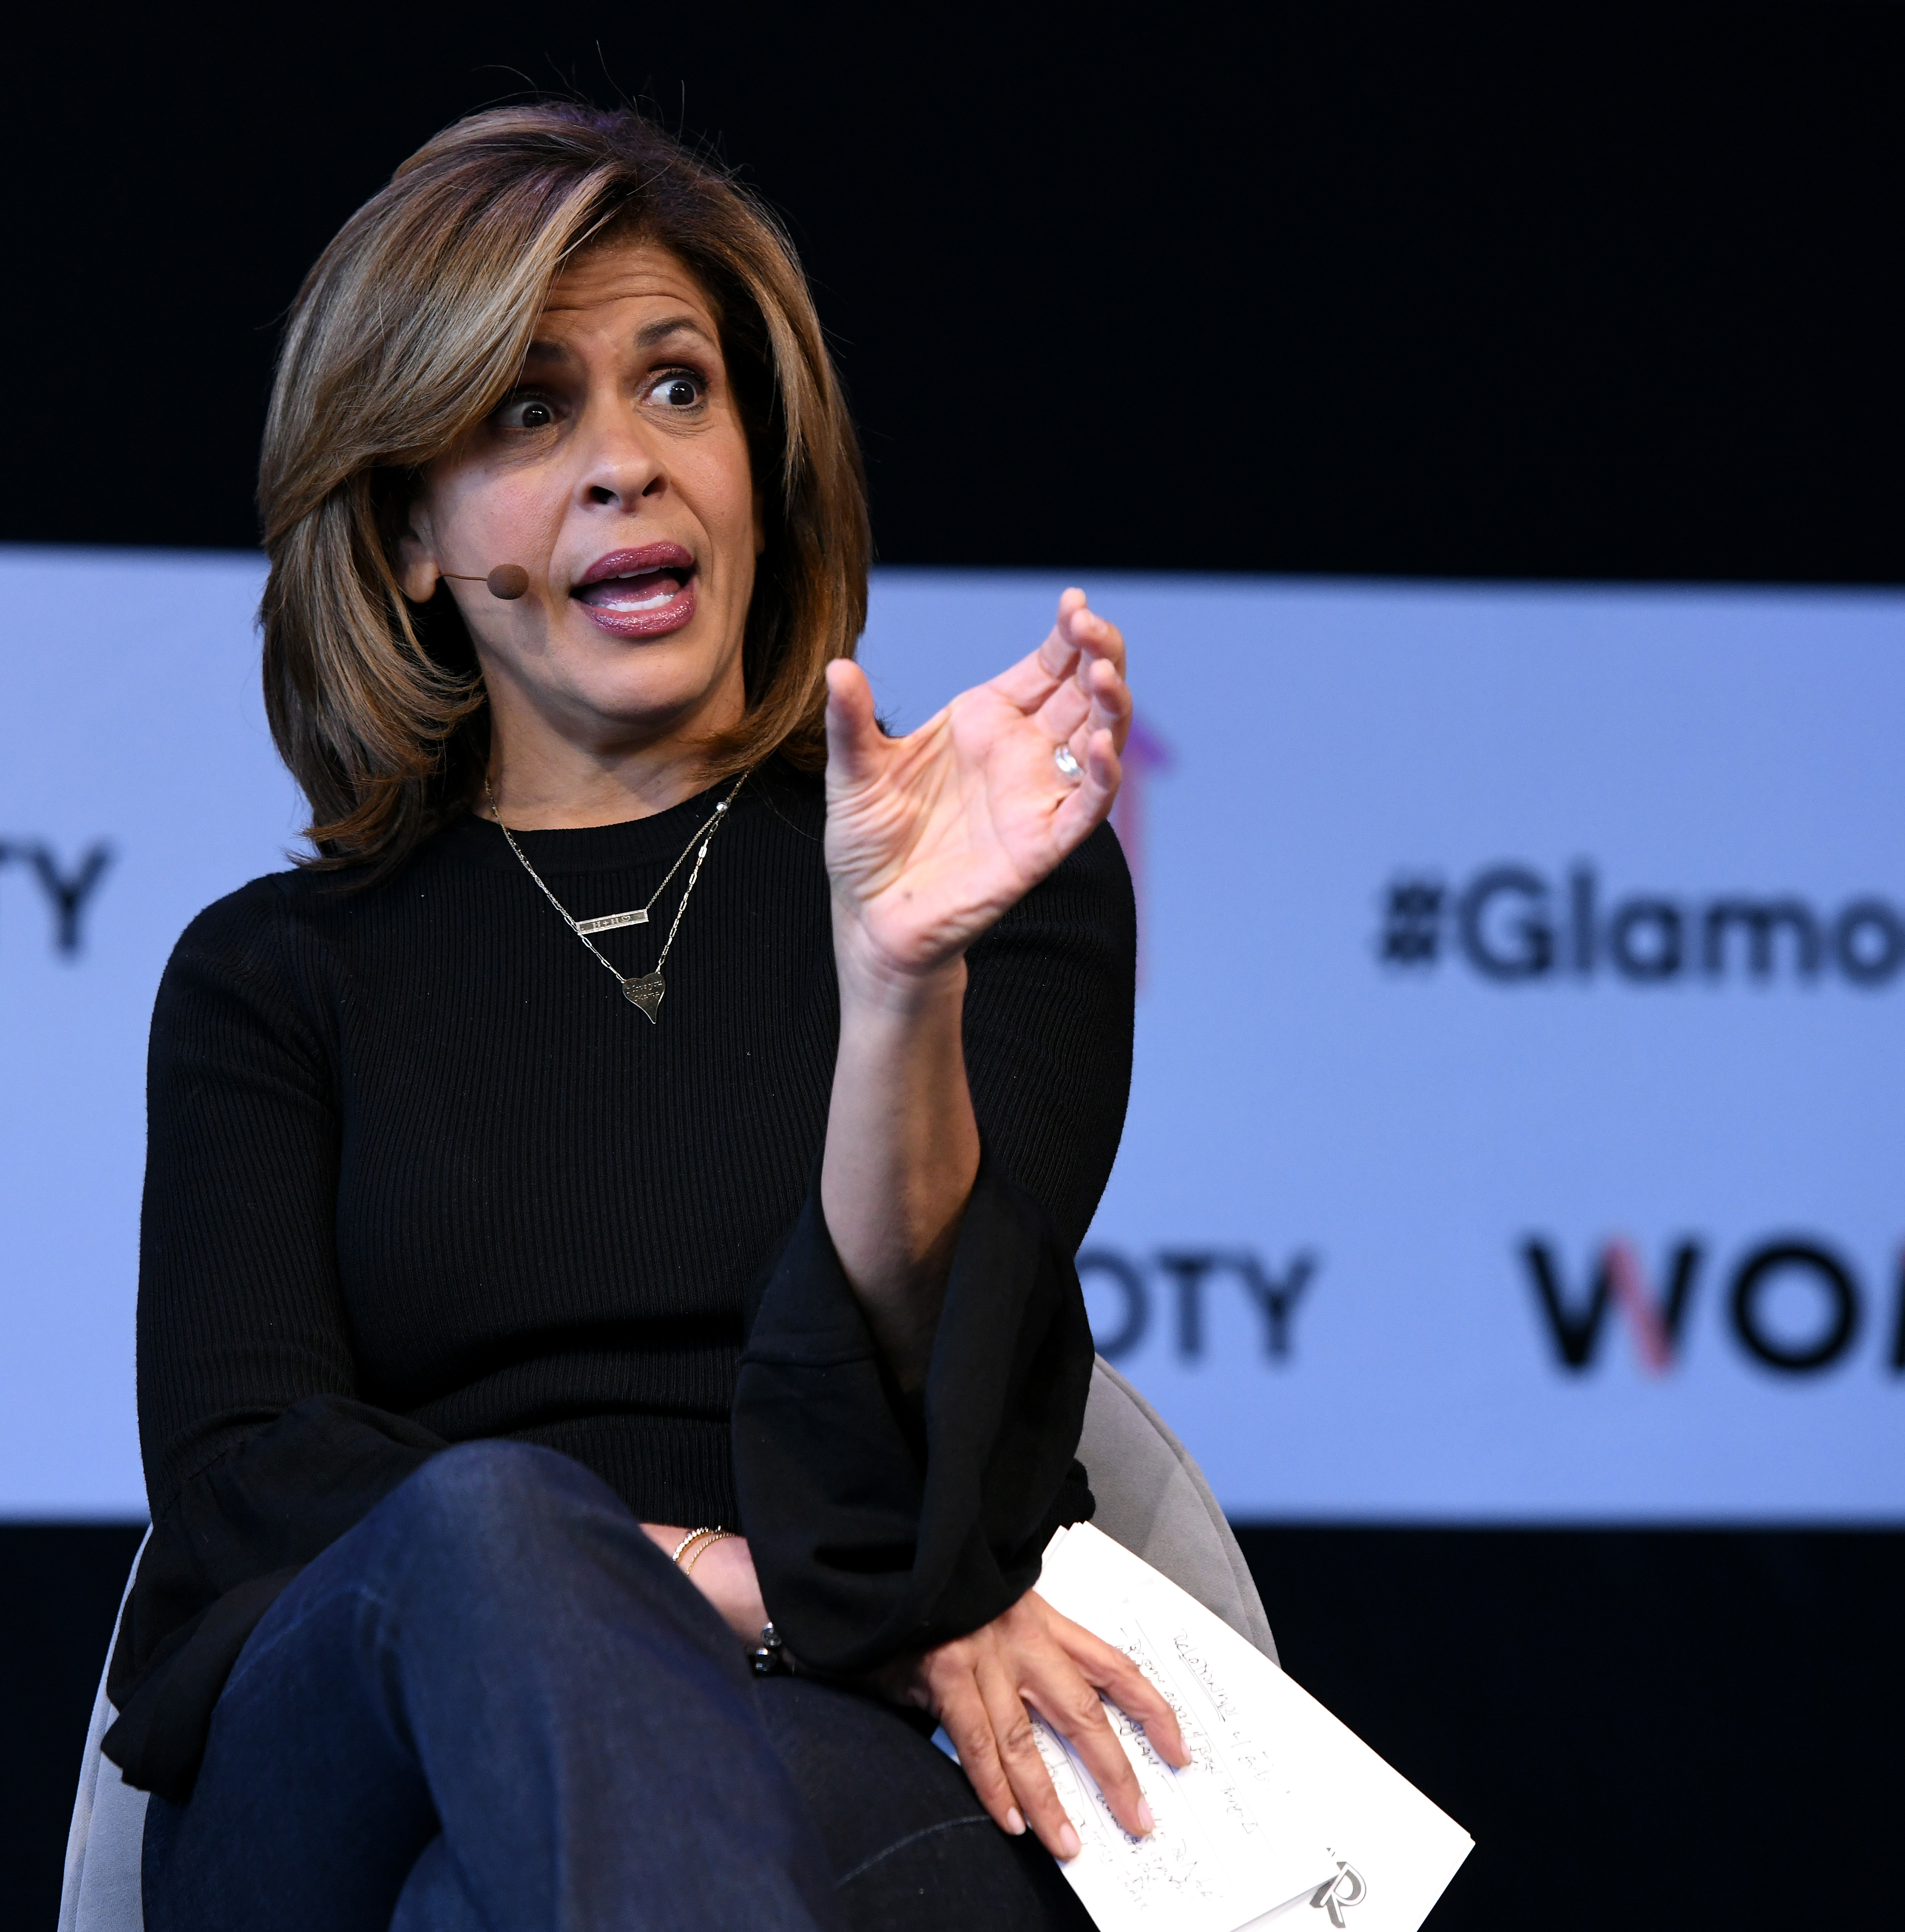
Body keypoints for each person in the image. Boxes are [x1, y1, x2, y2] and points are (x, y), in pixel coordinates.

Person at [110, 103, 1180, 1932]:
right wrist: (691, 1580)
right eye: (529, 410)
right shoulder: (270, 975)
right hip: (354, 1745)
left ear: (761, 461)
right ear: (407, 537)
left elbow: (931, 1425)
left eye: (675, 387)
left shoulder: (1001, 888)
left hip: (838, 1748)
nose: (627, 462)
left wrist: (899, 981)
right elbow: (250, 1472)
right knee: (484, 1523)